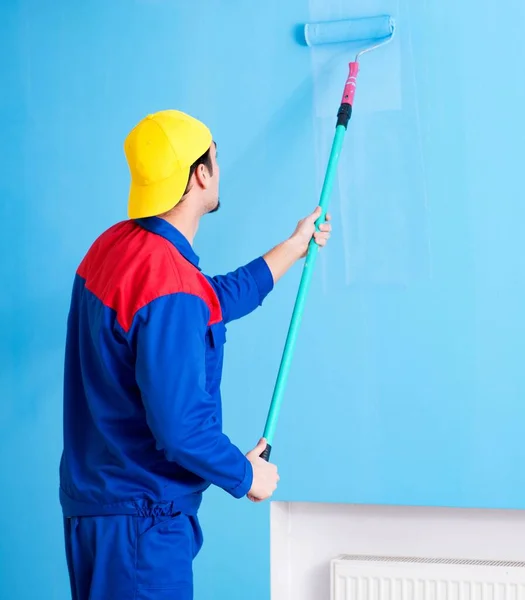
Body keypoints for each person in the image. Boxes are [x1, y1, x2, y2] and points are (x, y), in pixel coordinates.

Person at [59, 109, 331, 599]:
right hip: (143, 527)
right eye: (215, 158)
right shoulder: (171, 287)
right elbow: (180, 428)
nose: (219, 168)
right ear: (201, 174)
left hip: (97, 515)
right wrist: (247, 475)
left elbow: (209, 300)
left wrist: (294, 246)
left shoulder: (114, 249)